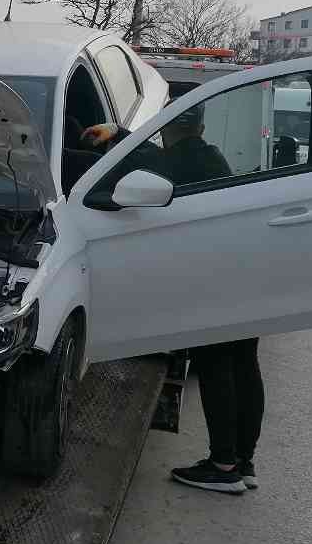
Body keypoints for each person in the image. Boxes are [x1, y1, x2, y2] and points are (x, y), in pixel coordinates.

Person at [76, 108, 259, 495]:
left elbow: (146, 160)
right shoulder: (210, 155)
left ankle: (223, 465)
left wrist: (115, 135)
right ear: (203, 128)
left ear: (169, 129)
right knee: (244, 363)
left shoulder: (181, 158)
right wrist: (118, 131)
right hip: (245, 268)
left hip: (218, 278)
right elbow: (154, 157)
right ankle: (243, 461)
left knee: (214, 362)